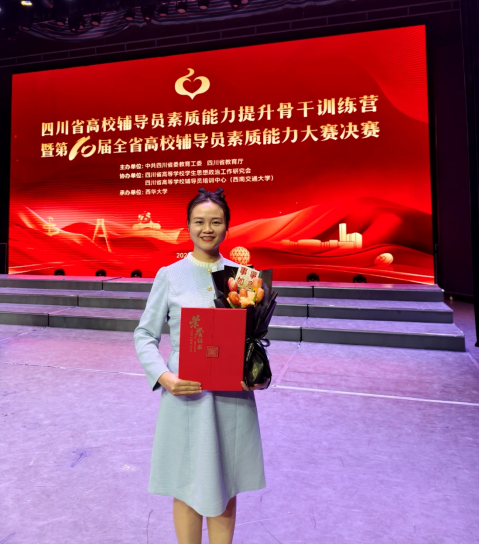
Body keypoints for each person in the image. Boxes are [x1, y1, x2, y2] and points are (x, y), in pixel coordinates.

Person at [134, 187, 270, 544]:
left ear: (227, 226)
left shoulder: (244, 277)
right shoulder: (170, 275)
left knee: (226, 484)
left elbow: (254, 339)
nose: (207, 229)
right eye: (199, 222)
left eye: (215, 222)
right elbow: (144, 334)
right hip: (186, 394)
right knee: (185, 483)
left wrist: (256, 374)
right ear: (188, 225)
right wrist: (164, 377)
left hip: (231, 398)